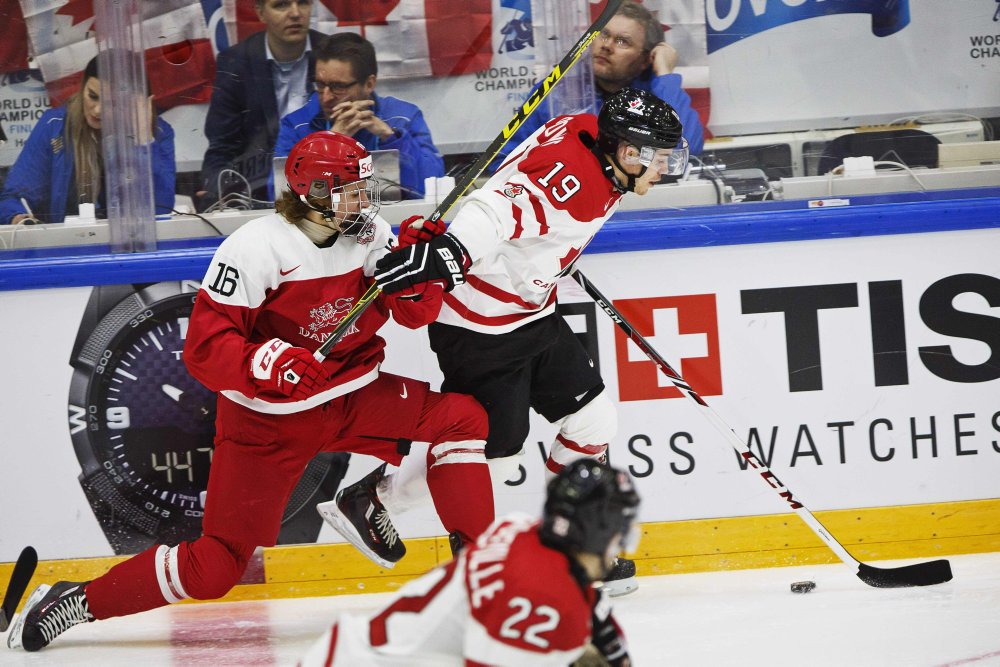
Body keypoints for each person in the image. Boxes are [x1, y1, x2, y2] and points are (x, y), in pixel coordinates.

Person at [6, 131, 495, 653]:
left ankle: (480, 585)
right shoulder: (256, 247)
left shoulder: (369, 231)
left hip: (350, 393)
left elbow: (413, 313)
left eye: (363, 188)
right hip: (267, 423)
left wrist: (419, 272)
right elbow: (203, 347)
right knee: (214, 567)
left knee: (461, 418)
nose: (364, 200)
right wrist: (268, 362)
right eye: (351, 189)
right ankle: (75, 601)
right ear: (315, 192)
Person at [325, 87, 686, 598]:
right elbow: (495, 210)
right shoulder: (574, 183)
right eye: (659, 157)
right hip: (480, 329)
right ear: (627, 151)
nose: (664, 168)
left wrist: (550, 257)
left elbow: (524, 195)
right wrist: (452, 252)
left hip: (530, 312)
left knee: (593, 418)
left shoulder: (585, 129)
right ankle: (372, 499)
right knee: (493, 452)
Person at [301, 459, 639, 667]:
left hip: (348, 652)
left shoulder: (518, 528)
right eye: (618, 530)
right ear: (599, 533)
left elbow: (568, 590)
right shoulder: (538, 602)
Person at [492, 0, 703, 171]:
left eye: (623, 41)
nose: (607, 46)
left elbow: (686, 150)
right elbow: (504, 162)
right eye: (603, 34)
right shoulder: (556, 94)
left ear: (646, 59)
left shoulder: (657, 93)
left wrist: (665, 74)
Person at [0, 56, 175, 225]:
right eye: (92, 96)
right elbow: (15, 197)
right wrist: (19, 218)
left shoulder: (158, 133)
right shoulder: (55, 126)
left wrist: (143, 142)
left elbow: (161, 211)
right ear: (83, 87)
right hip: (69, 243)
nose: (98, 110)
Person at [273, 32, 444, 200]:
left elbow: (433, 187)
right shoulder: (296, 125)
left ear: (369, 84)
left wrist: (391, 138)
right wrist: (329, 144)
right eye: (320, 84)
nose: (325, 97)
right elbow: (280, 198)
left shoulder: (404, 117)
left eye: (338, 86)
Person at [198, 0, 323, 209]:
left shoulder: (333, 53)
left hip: (327, 185)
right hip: (259, 196)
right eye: (281, 5)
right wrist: (217, 190)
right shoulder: (236, 62)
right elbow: (222, 146)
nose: (295, 13)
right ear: (261, 13)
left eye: (303, 2)